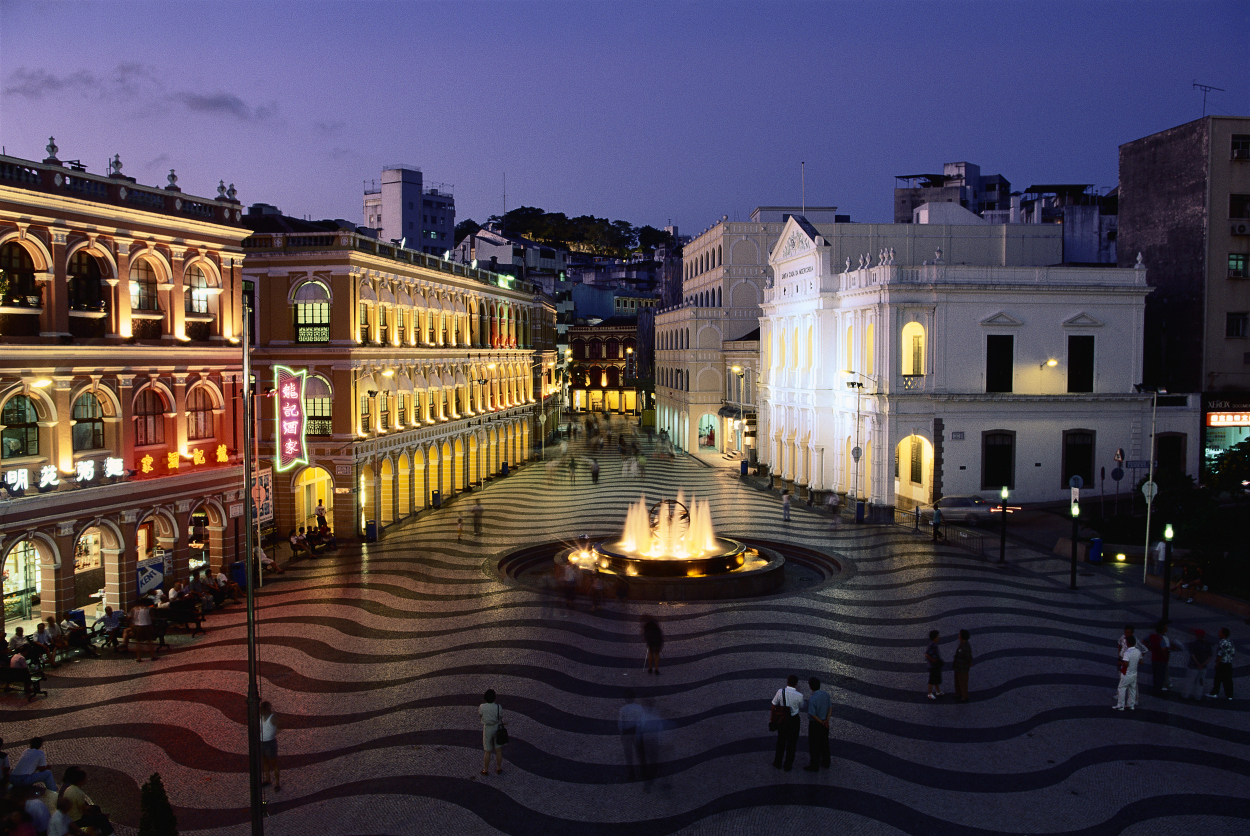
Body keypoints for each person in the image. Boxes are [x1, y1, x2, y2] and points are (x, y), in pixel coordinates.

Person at [771, 675, 804, 771]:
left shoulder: (780, 692)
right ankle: (788, 765)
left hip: (783, 719)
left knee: (781, 741)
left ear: (787, 682)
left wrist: (772, 718)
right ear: (796, 684)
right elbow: (801, 706)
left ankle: (777, 762)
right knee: (792, 743)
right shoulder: (799, 695)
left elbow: (773, 704)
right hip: (794, 720)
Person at [802, 677, 832, 772]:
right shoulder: (826, 695)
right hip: (825, 723)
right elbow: (830, 708)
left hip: (816, 724)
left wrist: (821, 722)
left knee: (814, 745)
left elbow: (813, 714)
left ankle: (814, 765)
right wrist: (826, 721)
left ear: (811, 687)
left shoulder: (813, 699)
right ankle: (826, 762)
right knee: (824, 743)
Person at [617, 689, 645, 781]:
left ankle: (631, 773)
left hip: (627, 732)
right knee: (639, 753)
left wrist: (621, 734)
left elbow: (621, 724)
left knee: (628, 754)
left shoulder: (623, 709)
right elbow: (642, 721)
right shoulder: (639, 707)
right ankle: (642, 772)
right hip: (637, 731)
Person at [479, 689, 505, 775]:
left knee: (487, 751)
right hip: (497, 728)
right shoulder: (498, 707)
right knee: (498, 750)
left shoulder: (482, 707)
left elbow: (480, 715)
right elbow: (500, 716)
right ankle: (498, 768)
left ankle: (485, 770)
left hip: (487, 728)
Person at [1182, 629, 1212, 699]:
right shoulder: (1208, 645)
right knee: (1200, 682)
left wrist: (1198, 664)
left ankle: (1185, 695)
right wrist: (1202, 664)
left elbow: (1193, 655)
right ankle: (1198, 696)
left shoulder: (1193, 644)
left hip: (1193, 666)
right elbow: (1209, 657)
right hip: (1203, 667)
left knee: (1189, 681)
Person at [1115, 634, 1142, 710]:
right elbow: (1141, 661)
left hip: (1126, 673)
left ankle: (1121, 705)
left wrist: (1120, 663)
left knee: (1121, 688)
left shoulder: (1127, 653)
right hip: (1134, 673)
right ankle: (1131, 705)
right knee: (1132, 689)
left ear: (1128, 643)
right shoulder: (1138, 651)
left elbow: (1126, 664)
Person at [1208, 627, 1235, 700]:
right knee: (1228, 679)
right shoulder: (1231, 642)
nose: (1218, 633)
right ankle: (1229, 695)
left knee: (1218, 678)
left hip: (1222, 663)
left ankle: (1214, 692)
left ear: (1223, 634)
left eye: (1220, 632)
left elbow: (1220, 654)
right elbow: (1232, 653)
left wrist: (1217, 663)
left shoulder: (1222, 642)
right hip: (1228, 663)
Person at [259, 701, 281, 791]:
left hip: (270, 742)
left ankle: (277, 783)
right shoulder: (261, 717)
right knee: (265, 761)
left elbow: (279, 726)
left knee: (273, 762)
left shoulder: (272, 717)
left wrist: (273, 733)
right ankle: (268, 779)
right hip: (262, 741)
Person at [1145, 621, 1171, 693]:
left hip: (1154, 658)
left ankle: (1155, 688)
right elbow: (1163, 649)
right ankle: (1159, 689)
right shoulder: (1162, 639)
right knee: (1161, 675)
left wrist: (1150, 648)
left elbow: (1144, 641)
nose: (1167, 628)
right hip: (1162, 660)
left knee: (1156, 674)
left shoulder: (1153, 636)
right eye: (1166, 627)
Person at [129, 597, 156, 663]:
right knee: (149, 642)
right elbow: (152, 618)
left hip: (137, 626)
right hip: (146, 626)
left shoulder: (134, 609)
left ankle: (138, 657)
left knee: (138, 643)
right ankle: (152, 656)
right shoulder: (148, 609)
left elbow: (130, 617)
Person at [952, 629, 973, 702]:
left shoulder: (966, 647)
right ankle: (958, 694)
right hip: (958, 667)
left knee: (963, 682)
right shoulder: (962, 644)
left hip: (962, 668)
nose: (958, 636)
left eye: (959, 634)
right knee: (958, 681)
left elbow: (968, 658)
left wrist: (968, 663)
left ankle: (964, 696)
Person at [925, 630, 944, 699]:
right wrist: (933, 660)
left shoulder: (934, 645)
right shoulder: (932, 645)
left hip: (935, 665)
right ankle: (930, 693)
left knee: (936, 678)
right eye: (937, 637)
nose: (939, 638)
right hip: (933, 665)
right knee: (932, 680)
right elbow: (927, 654)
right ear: (934, 638)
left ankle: (938, 691)